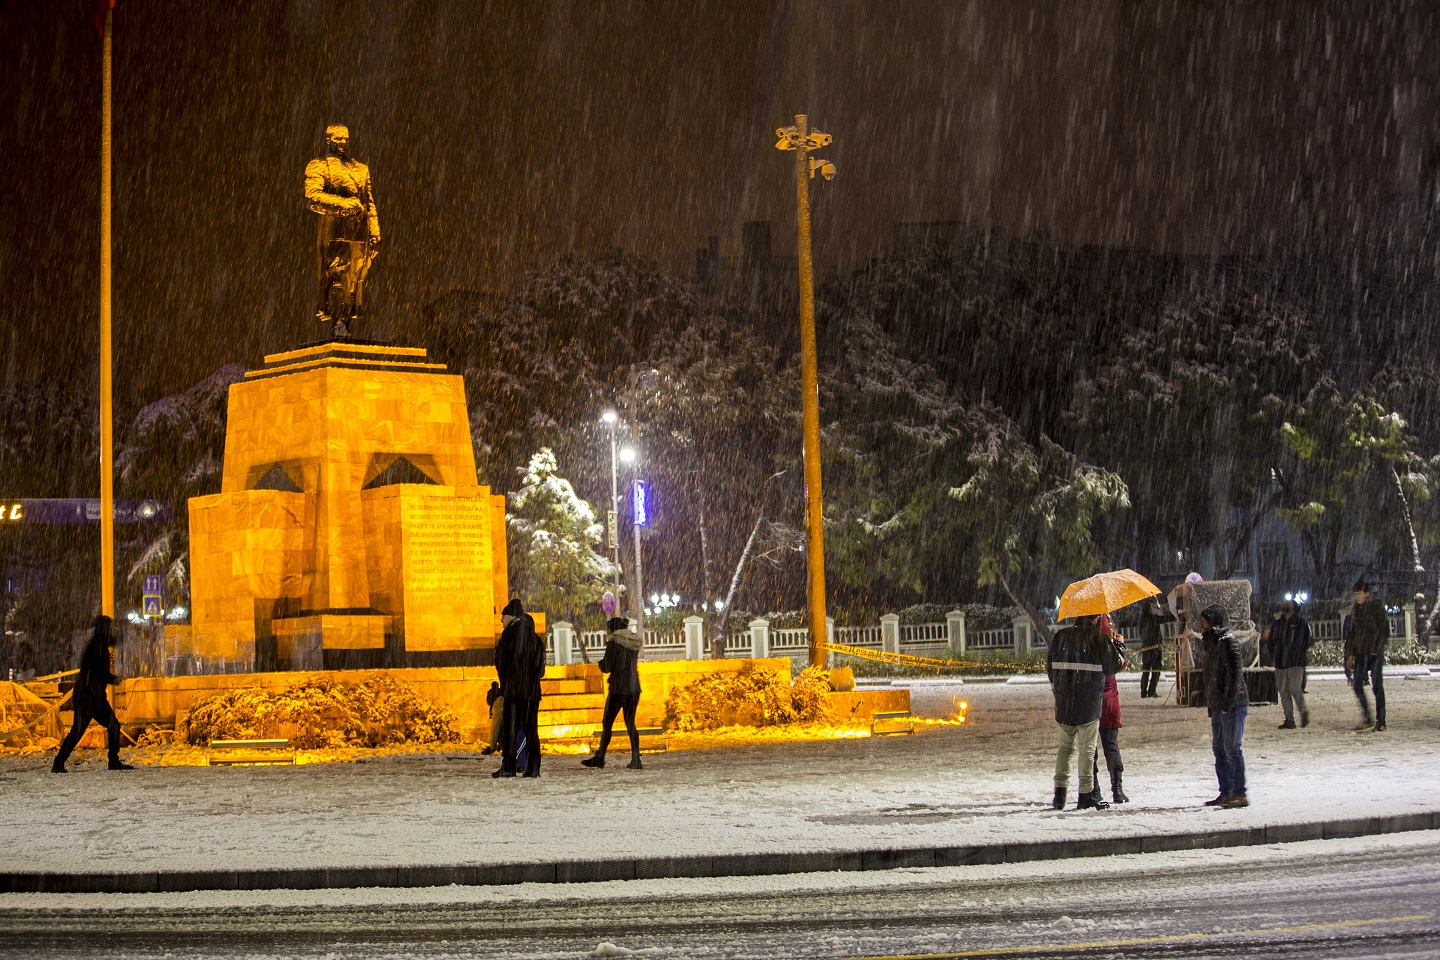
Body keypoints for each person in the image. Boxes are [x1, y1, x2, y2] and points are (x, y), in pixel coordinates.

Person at [304, 124, 380, 333]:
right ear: (328, 141)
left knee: (355, 282)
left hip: (359, 230)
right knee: (335, 276)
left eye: (345, 139)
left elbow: (369, 202)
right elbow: (313, 197)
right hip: (334, 228)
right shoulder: (319, 165)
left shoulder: (361, 168)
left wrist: (374, 231)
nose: (342, 143)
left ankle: (345, 325)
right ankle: (337, 324)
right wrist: (344, 204)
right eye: (337, 139)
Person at [1046, 614, 1125, 810]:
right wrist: (1120, 646)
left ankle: (1060, 795)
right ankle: (1086, 794)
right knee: (1087, 750)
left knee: (1065, 749)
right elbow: (1113, 666)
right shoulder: (1098, 638)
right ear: (1096, 617)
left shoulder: (1060, 636)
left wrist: (1058, 689)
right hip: (1088, 703)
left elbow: (1050, 667)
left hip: (1064, 703)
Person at [52, 616, 132, 773]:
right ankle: (59, 762)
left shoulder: (98, 646)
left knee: (111, 725)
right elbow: (98, 673)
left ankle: (113, 761)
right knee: (79, 730)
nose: (111, 631)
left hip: (94, 697)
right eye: (109, 628)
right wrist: (113, 679)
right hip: (88, 697)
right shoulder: (97, 648)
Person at [1201, 605, 1248, 808]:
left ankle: (1239, 792)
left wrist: (1228, 702)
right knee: (1219, 749)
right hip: (1219, 704)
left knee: (1232, 748)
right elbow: (1212, 677)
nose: (1202, 625)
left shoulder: (1228, 642)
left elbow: (1235, 675)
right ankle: (1226, 791)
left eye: (1205, 620)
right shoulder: (1212, 643)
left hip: (1233, 704)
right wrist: (1212, 703)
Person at [583, 617, 644, 771]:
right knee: (630, 723)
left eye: (607, 628)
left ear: (612, 629)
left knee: (607, 723)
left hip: (618, 688)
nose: (607, 631)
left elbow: (607, 667)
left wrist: (601, 664)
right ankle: (636, 758)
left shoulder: (614, 642)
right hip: (633, 687)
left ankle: (600, 757)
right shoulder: (632, 642)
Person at [493, 599, 545, 778]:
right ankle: (533, 767)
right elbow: (541, 671)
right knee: (532, 730)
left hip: (514, 691)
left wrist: (507, 683)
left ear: (511, 616)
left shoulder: (507, 636)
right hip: (531, 692)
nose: (501, 621)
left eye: (503, 617)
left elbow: (500, 663)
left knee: (511, 729)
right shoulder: (535, 639)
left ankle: (508, 766)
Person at [1348, 580, 1390, 732]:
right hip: (1361, 652)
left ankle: (1381, 720)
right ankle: (1367, 717)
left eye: (1359, 594)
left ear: (1367, 594)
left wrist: (1376, 649)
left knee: (1377, 686)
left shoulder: (1375, 608)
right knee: (1357, 685)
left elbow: (1384, 630)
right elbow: (1353, 633)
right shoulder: (1356, 610)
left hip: (1374, 652)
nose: (1357, 597)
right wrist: (1351, 653)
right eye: (1355, 594)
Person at [1266, 601, 1312, 729]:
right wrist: (1275, 655)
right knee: (1283, 692)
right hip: (1281, 662)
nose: (1285, 605)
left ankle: (1303, 712)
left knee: (1294, 689)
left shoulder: (1300, 623)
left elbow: (1307, 640)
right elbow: (1271, 641)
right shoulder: (1277, 624)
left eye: (1288, 604)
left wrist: (1297, 652)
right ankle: (1289, 720)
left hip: (1295, 662)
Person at [1138, 600, 1164, 698]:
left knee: (1145, 670)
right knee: (1156, 671)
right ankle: (1152, 691)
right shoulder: (1154, 618)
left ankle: (1143, 691)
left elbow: (1142, 634)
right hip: (1155, 649)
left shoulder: (1141, 620)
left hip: (1146, 649)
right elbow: (1165, 619)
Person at [481, 681, 503, 756]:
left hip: (496, 708)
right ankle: (500, 745)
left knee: (496, 728)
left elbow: (488, 701)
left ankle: (495, 746)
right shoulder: (500, 692)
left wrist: (492, 747)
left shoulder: (491, 693)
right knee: (501, 729)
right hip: (499, 708)